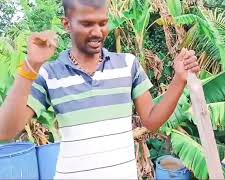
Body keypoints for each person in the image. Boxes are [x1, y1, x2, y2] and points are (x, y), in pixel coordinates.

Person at [0, 0, 200, 179]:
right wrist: (30, 66)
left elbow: (151, 121)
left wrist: (179, 80)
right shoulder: (49, 74)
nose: (97, 32)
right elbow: (6, 131)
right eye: (87, 24)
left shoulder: (127, 65)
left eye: (102, 23)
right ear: (67, 24)